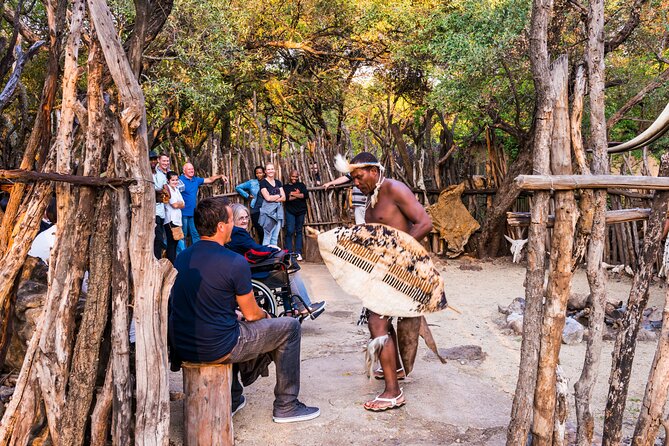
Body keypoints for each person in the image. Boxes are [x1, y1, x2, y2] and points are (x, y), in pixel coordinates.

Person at [169, 197, 321, 423]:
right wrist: (267, 316)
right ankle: (286, 405)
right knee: (288, 327)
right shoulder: (234, 261)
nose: (235, 226)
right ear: (221, 226)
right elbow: (252, 314)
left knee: (233, 323)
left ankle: (233, 395)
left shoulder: (182, 258)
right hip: (215, 346)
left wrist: (234, 314)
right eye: (232, 220)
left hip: (182, 346)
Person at [343, 152, 432, 411]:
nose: (356, 183)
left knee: (376, 322)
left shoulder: (394, 188)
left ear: (373, 170)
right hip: (385, 270)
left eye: (359, 176)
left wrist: (397, 256)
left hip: (402, 269)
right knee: (382, 319)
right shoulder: (372, 196)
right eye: (352, 179)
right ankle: (398, 368)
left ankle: (393, 392)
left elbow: (425, 223)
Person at [226, 203, 325, 318]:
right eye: (241, 218)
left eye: (246, 217)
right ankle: (303, 307)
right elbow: (256, 250)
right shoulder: (238, 233)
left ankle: (290, 311)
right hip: (251, 270)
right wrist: (272, 250)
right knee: (289, 272)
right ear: (233, 219)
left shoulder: (233, 233)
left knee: (283, 268)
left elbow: (251, 249)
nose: (245, 221)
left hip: (245, 267)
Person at [179, 162, 227, 246]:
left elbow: (209, 180)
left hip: (193, 212)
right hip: (183, 212)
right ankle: (182, 254)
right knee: (183, 234)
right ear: (184, 171)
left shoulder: (195, 180)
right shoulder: (180, 180)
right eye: (189, 169)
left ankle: (197, 252)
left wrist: (220, 176)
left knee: (196, 234)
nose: (191, 170)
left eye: (192, 169)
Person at [282, 170, 309, 260]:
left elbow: (305, 195)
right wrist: (298, 194)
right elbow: (287, 198)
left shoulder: (301, 185)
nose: (294, 178)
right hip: (290, 211)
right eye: (293, 176)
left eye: (296, 177)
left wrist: (293, 193)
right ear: (289, 176)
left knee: (299, 231)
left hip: (301, 211)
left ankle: (298, 252)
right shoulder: (285, 187)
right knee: (289, 231)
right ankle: (289, 252)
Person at [235, 166, 266, 242]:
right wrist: (247, 195)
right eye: (257, 173)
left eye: (260, 173)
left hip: (266, 209)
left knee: (267, 232)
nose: (259, 175)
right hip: (255, 210)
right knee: (260, 231)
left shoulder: (267, 182)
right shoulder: (252, 182)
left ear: (264, 173)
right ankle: (263, 250)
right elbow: (238, 187)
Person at [258, 163, 285, 246]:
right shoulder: (263, 183)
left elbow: (284, 198)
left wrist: (275, 198)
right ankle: (265, 257)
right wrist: (278, 196)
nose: (270, 171)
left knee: (275, 237)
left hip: (278, 212)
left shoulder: (278, 182)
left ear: (274, 170)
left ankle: (273, 257)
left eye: (272, 169)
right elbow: (267, 198)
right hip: (268, 213)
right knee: (267, 236)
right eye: (268, 169)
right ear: (265, 171)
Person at [164, 171, 185, 264]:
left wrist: (179, 204)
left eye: (176, 180)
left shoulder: (176, 189)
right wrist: (179, 204)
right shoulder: (168, 189)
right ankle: (171, 263)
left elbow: (183, 204)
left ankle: (173, 262)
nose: (175, 182)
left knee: (176, 241)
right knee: (171, 243)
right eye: (173, 180)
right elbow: (174, 205)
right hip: (170, 219)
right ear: (168, 180)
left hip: (177, 220)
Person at [153, 152, 171, 259]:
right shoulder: (145, 174)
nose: (153, 161)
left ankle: (160, 260)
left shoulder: (161, 175)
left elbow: (166, 191)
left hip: (162, 211)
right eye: (151, 159)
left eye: (154, 159)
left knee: (160, 238)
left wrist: (162, 192)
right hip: (151, 211)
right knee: (157, 238)